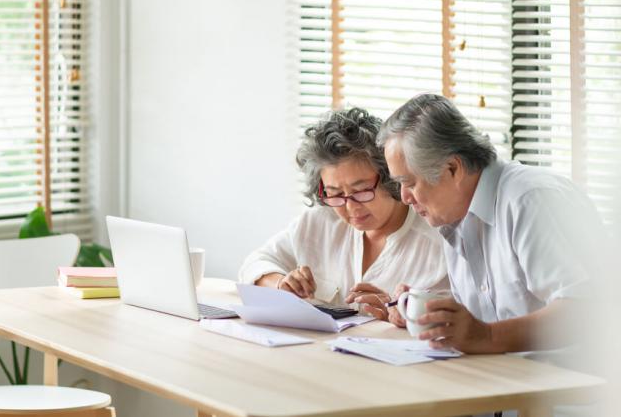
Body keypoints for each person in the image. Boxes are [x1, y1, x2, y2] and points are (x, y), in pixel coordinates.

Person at [375, 93, 606, 353]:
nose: (404, 198)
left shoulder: (530, 199)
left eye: (410, 183)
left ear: (453, 168)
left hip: (573, 385)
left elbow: (584, 311)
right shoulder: (454, 214)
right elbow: (492, 315)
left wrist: (486, 336)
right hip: (504, 378)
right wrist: (428, 313)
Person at [238, 107, 448, 320]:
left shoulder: (438, 243)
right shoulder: (318, 223)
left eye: (361, 191)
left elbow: (457, 323)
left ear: (390, 178)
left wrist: (403, 314)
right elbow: (255, 263)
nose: (350, 207)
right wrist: (281, 284)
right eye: (335, 193)